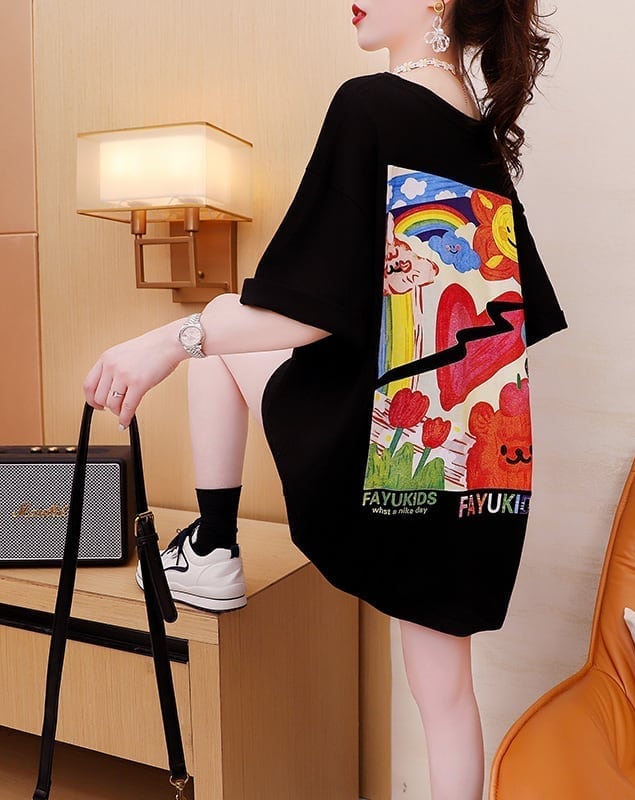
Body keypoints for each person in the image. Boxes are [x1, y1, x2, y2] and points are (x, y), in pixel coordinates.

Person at [83, 1, 567, 797]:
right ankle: (213, 547)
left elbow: (306, 309)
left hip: (380, 448)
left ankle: (214, 545)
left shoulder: (370, 104)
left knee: (215, 324)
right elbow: (504, 314)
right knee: (447, 694)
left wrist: (168, 341)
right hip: (475, 454)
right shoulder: (476, 135)